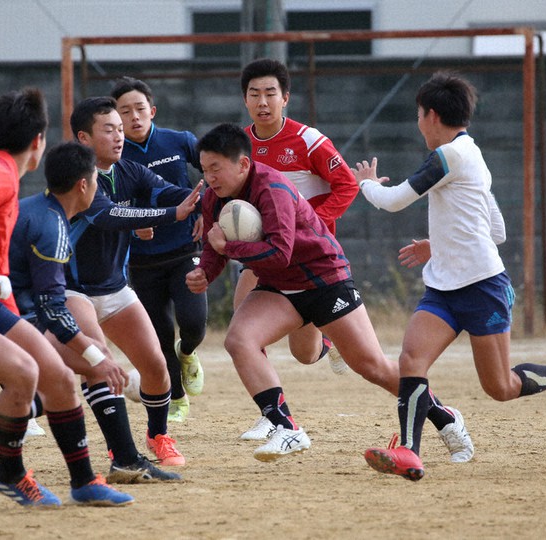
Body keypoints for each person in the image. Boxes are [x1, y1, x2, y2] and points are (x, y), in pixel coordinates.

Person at [353, 72, 546, 481]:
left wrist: (364, 184)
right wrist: (441, 243)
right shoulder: (471, 156)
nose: (418, 124)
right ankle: (410, 454)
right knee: (412, 360)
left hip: (484, 287)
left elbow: (395, 200)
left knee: (500, 388)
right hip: (444, 289)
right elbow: (496, 229)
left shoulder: (450, 156)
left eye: (418, 115)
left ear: (431, 115)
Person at [185, 123, 473, 463]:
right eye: (204, 169)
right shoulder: (212, 198)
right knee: (239, 339)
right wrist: (205, 271)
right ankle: (286, 427)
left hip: (325, 279)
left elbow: (280, 252)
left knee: (373, 367)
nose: (210, 177)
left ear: (243, 164)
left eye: (216, 168)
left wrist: (228, 248)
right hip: (279, 287)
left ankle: (445, 417)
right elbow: (215, 248)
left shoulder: (271, 187)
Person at [0, 88, 133, 506]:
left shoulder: (4, 183)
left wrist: (15, 320)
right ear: (38, 142)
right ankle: (10, 474)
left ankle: (85, 482)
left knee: (59, 379)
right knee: (24, 374)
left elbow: (2, 277)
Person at [0, 141, 181, 484]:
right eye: (96, 179)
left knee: (70, 376)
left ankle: (121, 461)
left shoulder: (43, 211)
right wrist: (93, 353)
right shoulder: (53, 227)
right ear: (83, 185)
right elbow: (52, 308)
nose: (100, 187)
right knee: (79, 370)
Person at [69, 96, 202, 466]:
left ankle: (158, 436)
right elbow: (107, 215)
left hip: (113, 288)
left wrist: (215, 197)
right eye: (108, 129)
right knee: (99, 368)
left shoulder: (130, 170)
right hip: (71, 291)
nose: (120, 135)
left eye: (120, 128)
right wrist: (172, 214)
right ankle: (119, 450)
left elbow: (171, 192)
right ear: (84, 137)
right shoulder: (75, 177)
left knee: (157, 367)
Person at [235, 59, 356, 438]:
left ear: (285, 98)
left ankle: (326, 342)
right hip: (263, 254)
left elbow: (347, 185)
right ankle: (270, 412)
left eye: (271, 93)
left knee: (304, 355)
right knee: (243, 326)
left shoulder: (308, 140)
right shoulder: (239, 146)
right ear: (245, 100)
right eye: (255, 94)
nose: (263, 101)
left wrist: (310, 222)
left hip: (307, 257)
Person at [111, 76, 207, 423]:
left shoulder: (178, 141)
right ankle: (177, 400)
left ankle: (188, 352)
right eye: (125, 112)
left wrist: (205, 213)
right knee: (160, 335)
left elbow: (214, 170)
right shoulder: (114, 158)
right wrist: (133, 225)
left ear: (152, 110)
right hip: (142, 261)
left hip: (185, 251)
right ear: (114, 119)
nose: (133, 117)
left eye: (139, 109)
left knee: (194, 324)